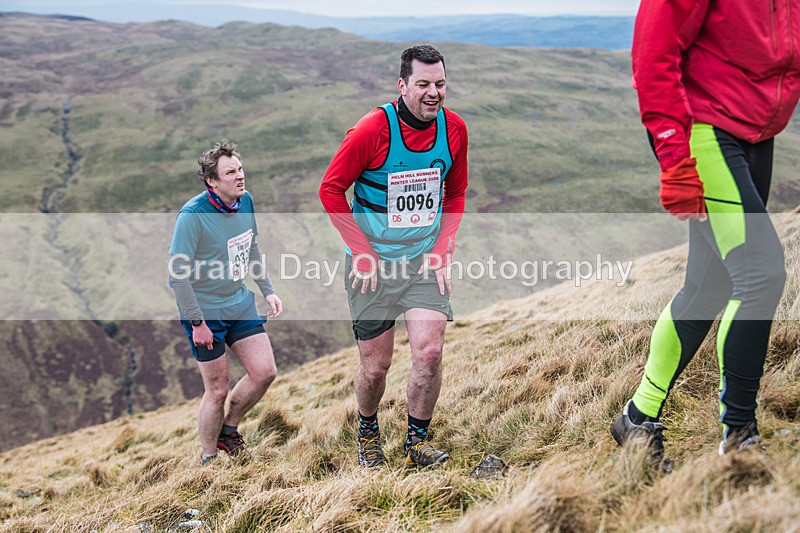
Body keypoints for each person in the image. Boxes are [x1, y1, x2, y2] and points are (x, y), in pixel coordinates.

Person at [611, 0, 800, 465]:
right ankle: (740, 440)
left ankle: (638, 418)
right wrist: (674, 155)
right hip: (704, 130)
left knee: (709, 285)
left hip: (756, 131)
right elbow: (654, 51)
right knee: (761, 275)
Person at [319, 45, 469, 467]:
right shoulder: (372, 130)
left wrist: (443, 247)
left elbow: (455, 192)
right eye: (423, 84)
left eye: (440, 83)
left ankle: (416, 442)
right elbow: (330, 190)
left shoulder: (454, 128)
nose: (433, 92)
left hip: (422, 261)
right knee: (376, 367)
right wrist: (362, 252)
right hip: (373, 268)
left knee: (430, 352)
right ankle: (368, 430)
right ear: (402, 86)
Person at [168, 139, 283, 465]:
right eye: (230, 172)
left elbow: (251, 247)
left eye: (240, 169)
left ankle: (228, 430)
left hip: (238, 301)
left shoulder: (245, 202)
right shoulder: (192, 216)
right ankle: (209, 459)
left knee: (264, 372)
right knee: (217, 390)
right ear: (212, 181)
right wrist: (197, 323)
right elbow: (178, 275)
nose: (239, 176)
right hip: (204, 312)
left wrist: (267, 289)